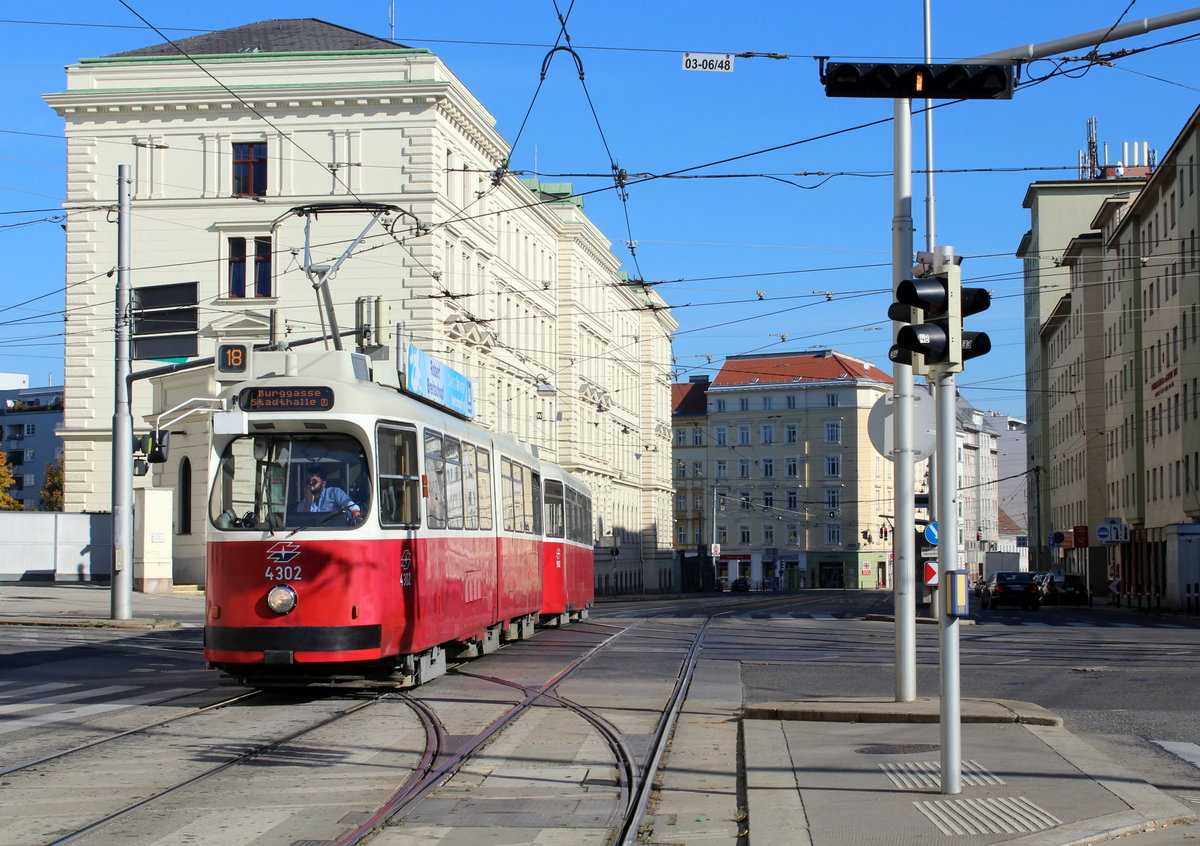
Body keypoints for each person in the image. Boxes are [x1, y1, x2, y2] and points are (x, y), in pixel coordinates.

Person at [296, 466, 362, 524]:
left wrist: (357, 516)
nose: (310, 484)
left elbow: (352, 506)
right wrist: (309, 501)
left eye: (314, 481)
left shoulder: (335, 493)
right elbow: (300, 521)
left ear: (323, 483)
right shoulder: (304, 503)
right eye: (308, 481)